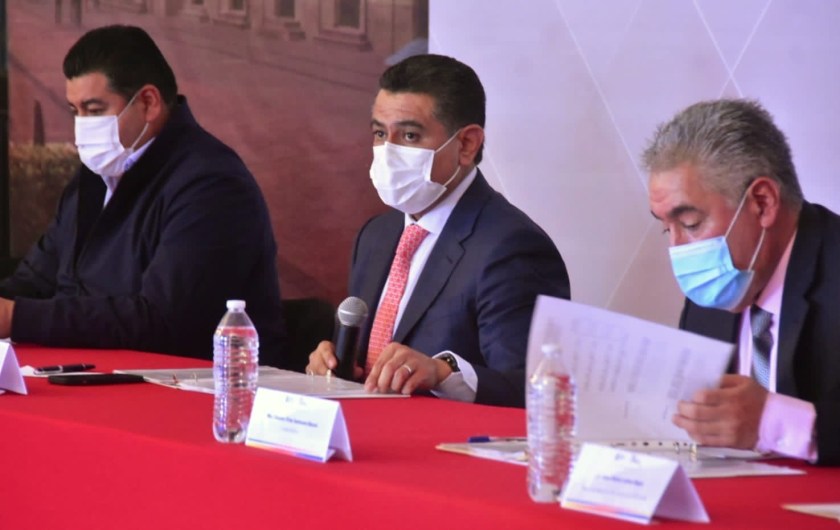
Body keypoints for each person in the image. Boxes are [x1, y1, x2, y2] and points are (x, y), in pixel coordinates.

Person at [0, 25, 287, 366]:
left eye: (95, 110)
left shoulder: (212, 184)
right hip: (84, 372)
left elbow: (162, 320)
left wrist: (17, 317)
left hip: (192, 385)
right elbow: (35, 280)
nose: (82, 127)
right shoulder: (93, 178)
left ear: (148, 103)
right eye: (75, 111)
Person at [306, 54, 570, 407]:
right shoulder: (376, 235)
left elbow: (535, 390)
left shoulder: (513, 247)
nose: (388, 152)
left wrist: (444, 373)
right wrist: (334, 367)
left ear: (467, 144)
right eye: (380, 133)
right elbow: (366, 372)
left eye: (410, 135)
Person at [643, 98, 839, 465]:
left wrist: (777, 422)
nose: (678, 250)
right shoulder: (709, 295)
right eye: (666, 228)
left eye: (690, 224)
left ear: (762, 203)